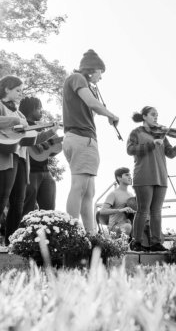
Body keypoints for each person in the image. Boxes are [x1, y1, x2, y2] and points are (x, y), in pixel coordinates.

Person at [0, 75, 58, 249]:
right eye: (18, 90)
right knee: (1, 197)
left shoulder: (20, 113)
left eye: (22, 91)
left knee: (18, 202)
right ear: (7, 89)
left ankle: (11, 242)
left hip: (22, 159)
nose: (20, 94)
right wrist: (15, 121)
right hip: (4, 157)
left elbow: (32, 139)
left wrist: (51, 131)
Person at [62, 49, 119, 233]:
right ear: (92, 69)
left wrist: (101, 111)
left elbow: (89, 109)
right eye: (100, 73)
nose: (100, 78)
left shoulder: (77, 82)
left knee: (88, 192)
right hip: (82, 139)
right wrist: (111, 114)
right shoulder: (78, 78)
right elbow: (92, 103)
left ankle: (90, 234)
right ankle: (71, 232)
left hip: (78, 138)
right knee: (79, 188)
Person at [127, 106, 176, 252]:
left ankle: (156, 243)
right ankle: (136, 242)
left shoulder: (161, 134)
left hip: (161, 176)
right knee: (143, 210)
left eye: (157, 115)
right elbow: (130, 149)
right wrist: (151, 144)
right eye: (153, 114)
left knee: (156, 211)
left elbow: (170, 153)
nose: (156, 117)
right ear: (144, 116)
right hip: (143, 175)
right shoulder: (136, 132)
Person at [19, 96, 58, 215]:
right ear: (31, 109)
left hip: (45, 171)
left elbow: (54, 149)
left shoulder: (41, 127)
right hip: (29, 173)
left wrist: (49, 145)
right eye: (39, 108)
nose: (41, 111)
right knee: (26, 211)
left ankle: (48, 232)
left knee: (49, 213)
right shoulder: (22, 126)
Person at [99, 167, 136, 235]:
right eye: (127, 175)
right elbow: (102, 211)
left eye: (130, 175)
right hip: (115, 227)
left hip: (128, 224)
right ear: (119, 178)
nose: (130, 177)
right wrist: (120, 210)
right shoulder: (113, 194)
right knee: (127, 227)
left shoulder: (131, 195)